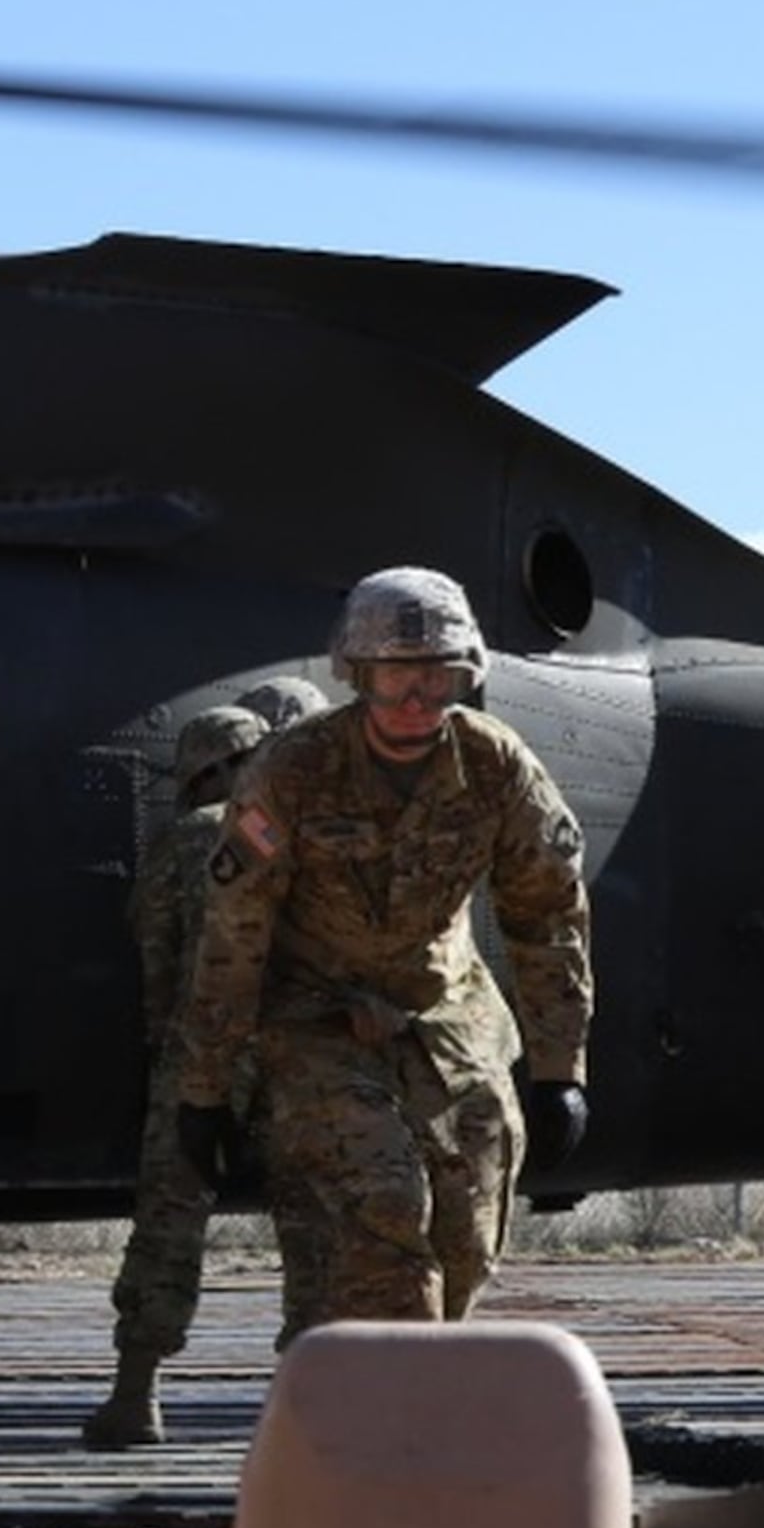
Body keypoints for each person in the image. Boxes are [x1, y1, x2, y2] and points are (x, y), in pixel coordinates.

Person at [176, 568, 595, 1332]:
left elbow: (548, 913)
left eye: (439, 682)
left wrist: (560, 1068)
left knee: (469, 1220)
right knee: (384, 1204)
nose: (417, 703)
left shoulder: (496, 766)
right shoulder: (291, 773)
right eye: (399, 679)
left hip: (445, 1008)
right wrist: (206, 1088)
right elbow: (235, 935)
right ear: (359, 676)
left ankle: (409, 1375)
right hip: (318, 1017)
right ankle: (384, 1412)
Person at [81, 683, 329, 1450]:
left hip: (200, 1051)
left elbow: (154, 951)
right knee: (309, 1227)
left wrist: (169, 1048)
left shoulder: (189, 836)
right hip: (292, 1049)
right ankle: (307, 1403)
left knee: (169, 1219)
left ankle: (137, 1397)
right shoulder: (295, 829)